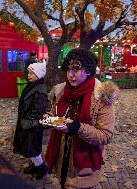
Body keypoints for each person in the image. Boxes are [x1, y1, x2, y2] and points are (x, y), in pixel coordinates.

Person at [45, 48, 119, 189]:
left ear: (88, 70)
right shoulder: (62, 92)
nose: (70, 75)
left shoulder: (102, 97)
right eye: (68, 70)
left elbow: (105, 135)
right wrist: (47, 118)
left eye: (76, 69)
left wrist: (77, 128)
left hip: (84, 165)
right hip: (62, 158)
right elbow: (54, 114)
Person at [13, 63, 48, 180]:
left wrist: (27, 120)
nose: (29, 75)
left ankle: (41, 168)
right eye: (29, 73)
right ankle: (35, 165)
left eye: (32, 73)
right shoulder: (32, 85)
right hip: (27, 123)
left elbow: (38, 109)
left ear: (39, 74)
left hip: (32, 125)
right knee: (30, 146)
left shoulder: (40, 90)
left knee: (32, 147)